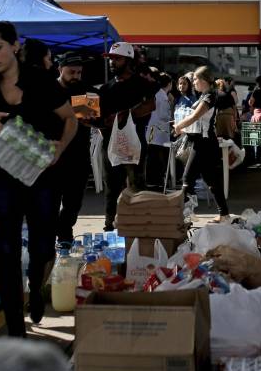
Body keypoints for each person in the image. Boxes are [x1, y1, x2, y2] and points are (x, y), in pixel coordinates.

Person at [0, 21, 77, 336]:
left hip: (42, 172)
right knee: (6, 247)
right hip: (0, 172)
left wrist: (60, 148)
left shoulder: (41, 80)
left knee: (43, 245)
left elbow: (69, 120)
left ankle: (35, 284)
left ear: (15, 46)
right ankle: (16, 325)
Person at [98, 42, 158, 231]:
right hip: (110, 144)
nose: (112, 62)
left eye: (117, 59)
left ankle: (139, 228)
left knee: (136, 188)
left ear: (128, 60)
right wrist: (91, 119)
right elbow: (100, 118)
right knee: (112, 188)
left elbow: (150, 105)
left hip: (134, 144)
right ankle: (110, 227)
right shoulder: (106, 88)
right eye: (111, 59)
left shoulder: (142, 83)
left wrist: (124, 114)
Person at [173, 66, 230, 223]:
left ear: (204, 80)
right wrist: (181, 125)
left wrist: (179, 127)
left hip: (204, 143)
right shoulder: (205, 95)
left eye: (196, 79)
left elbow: (195, 117)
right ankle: (224, 215)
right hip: (203, 142)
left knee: (187, 178)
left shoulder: (209, 96)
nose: (194, 82)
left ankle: (185, 213)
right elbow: (193, 118)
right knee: (211, 180)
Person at [54, 53, 97, 245]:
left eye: (79, 72)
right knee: (50, 200)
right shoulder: (49, 90)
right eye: (71, 72)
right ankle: (56, 234)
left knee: (73, 203)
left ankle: (64, 232)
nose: (76, 76)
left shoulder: (84, 90)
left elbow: (90, 121)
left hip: (78, 155)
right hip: (52, 156)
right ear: (60, 69)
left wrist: (85, 116)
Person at [146, 72, 173, 190]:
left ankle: (151, 180)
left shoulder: (156, 94)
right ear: (169, 84)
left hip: (152, 129)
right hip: (159, 131)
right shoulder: (163, 96)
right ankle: (156, 181)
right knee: (157, 156)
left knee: (151, 153)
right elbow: (164, 115)